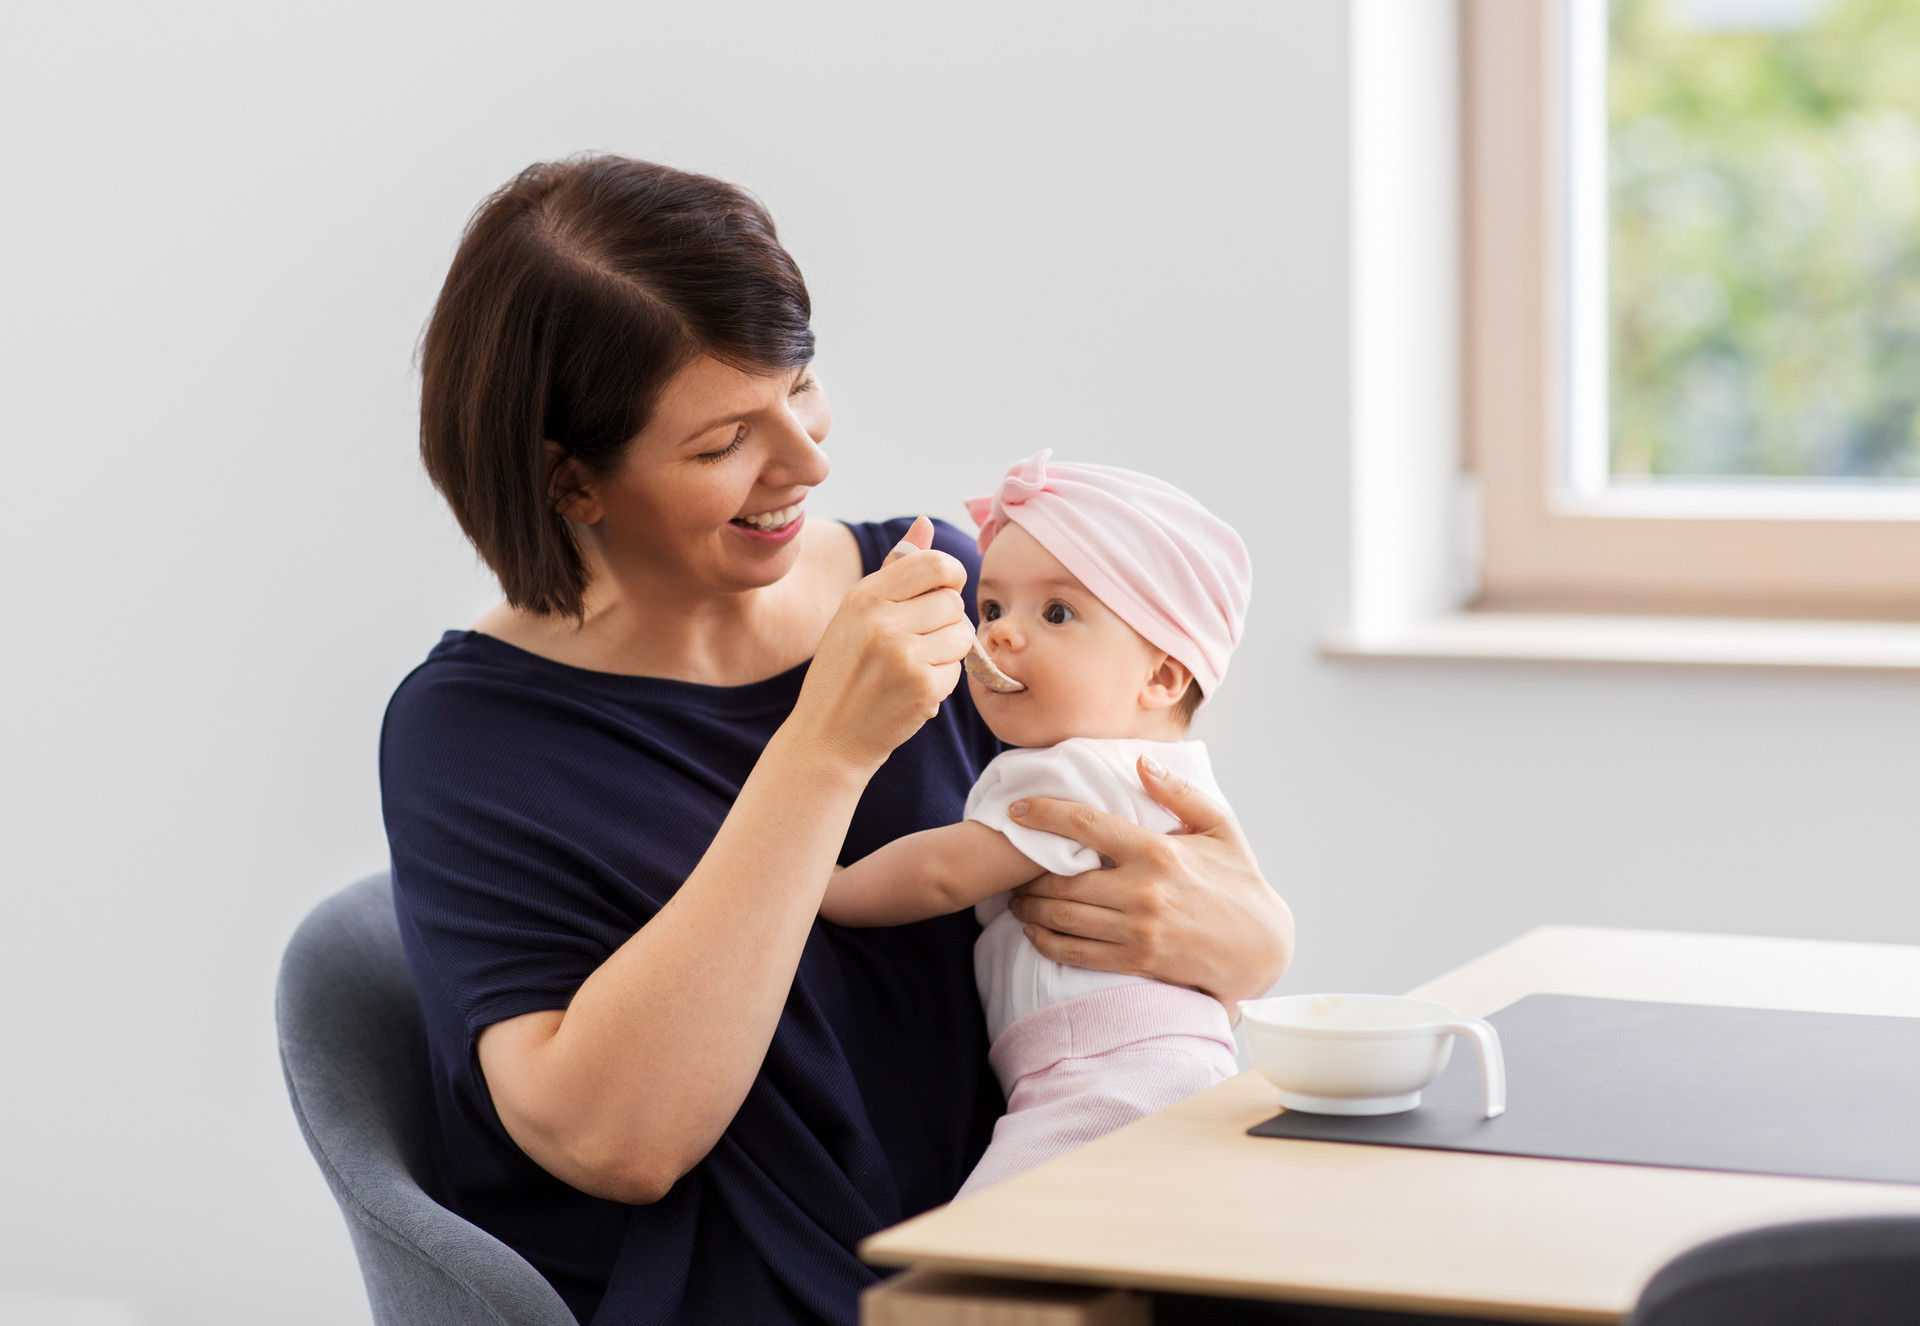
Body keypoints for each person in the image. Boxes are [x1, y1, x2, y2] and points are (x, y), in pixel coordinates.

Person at [380, 154, 1295, 1326]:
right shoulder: (473, 736)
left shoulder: (944, 595)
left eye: (801, 388)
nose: (807, 461)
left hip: (1050, 1239)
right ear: (571, 483)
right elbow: (620, 1144)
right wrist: (822, 752)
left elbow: (1154, 860)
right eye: (722, 444)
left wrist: (1254, 942)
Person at [822, 450, 1252, 1196]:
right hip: (1165, 1062)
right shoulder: (1173, 774)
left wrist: (828, 885)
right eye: (991, 609)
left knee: (974, 1267)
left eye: (1056, 613)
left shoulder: (1071, 771)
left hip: (1105, 1072)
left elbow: (943, 871)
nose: (1002, 636)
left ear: (1163, 675)